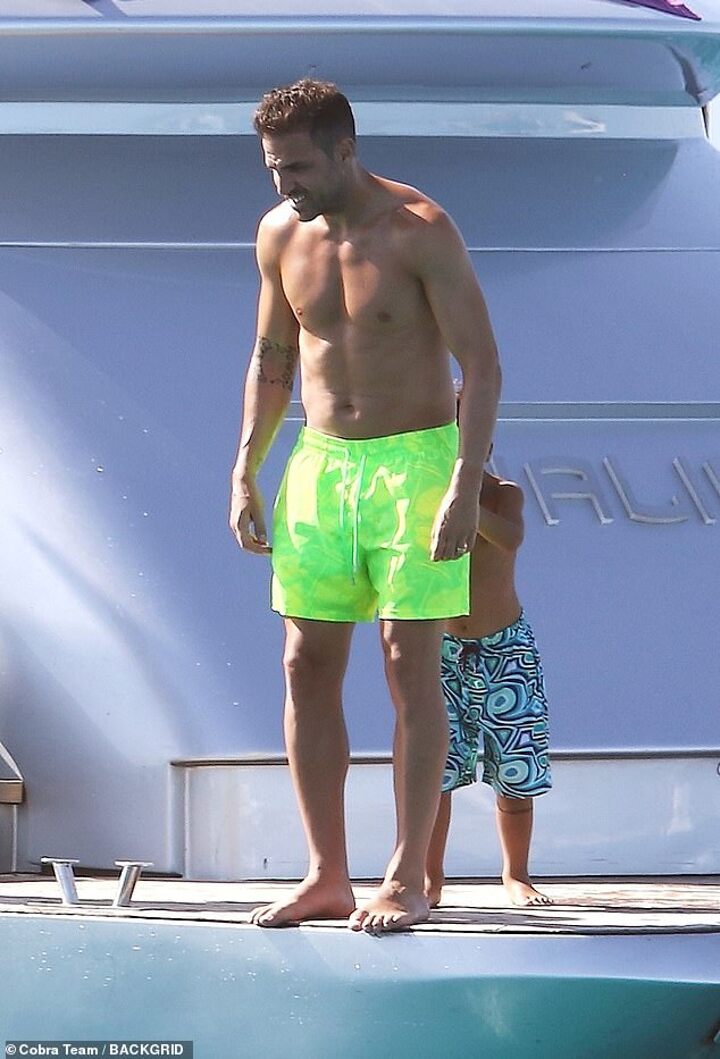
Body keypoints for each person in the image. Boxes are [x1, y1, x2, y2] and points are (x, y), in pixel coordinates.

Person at [229, 79, 501, 933]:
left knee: (407, 665)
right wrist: (245, 468)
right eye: (274, 169)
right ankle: (326, 875)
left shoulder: (420, 229)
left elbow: (482, 366)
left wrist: (464, 483)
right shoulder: (280, 233)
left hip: (415, 465)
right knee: (304, 664)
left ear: (345, 149)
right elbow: (273, 357)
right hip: (320, 465)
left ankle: (407, 875)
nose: (285, 185)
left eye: (299, 168)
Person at [425, 450, 552, 908]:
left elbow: (510, 539)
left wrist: (464, 503)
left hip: (505, 648)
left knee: (515, 767)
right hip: (441, 649)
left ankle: (516, 874)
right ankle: (430, 878)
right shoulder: (419, 490)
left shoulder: (504, 495)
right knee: (434, 771)